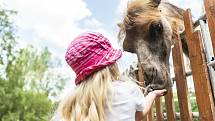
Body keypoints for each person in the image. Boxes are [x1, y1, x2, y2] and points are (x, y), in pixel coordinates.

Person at [56, 32, 166, 121]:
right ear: (112, 64)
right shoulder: (127, 90)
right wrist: (152, 95)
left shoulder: (67, 107)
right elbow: (139, 114)